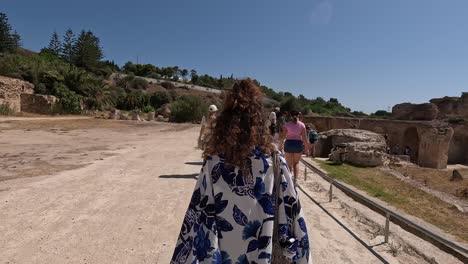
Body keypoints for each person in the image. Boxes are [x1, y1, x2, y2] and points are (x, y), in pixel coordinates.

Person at [171, 79, 310, 264]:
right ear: (259, 119)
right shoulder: (274, 160)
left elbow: (197, 216)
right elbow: (293, 212)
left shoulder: (213, 162)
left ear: (226, 119)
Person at [280, 110, 310, 183]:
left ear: (290, 115)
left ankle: (289, 180)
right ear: (298, 115)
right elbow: (305, 138)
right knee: (296, 163)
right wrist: (307, 149)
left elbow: (283, 136)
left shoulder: (287, 124)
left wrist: (280, 146)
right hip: (298, 144)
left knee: (289, 164)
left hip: (289, 144)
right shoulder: (302, 125)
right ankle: (295, 181)